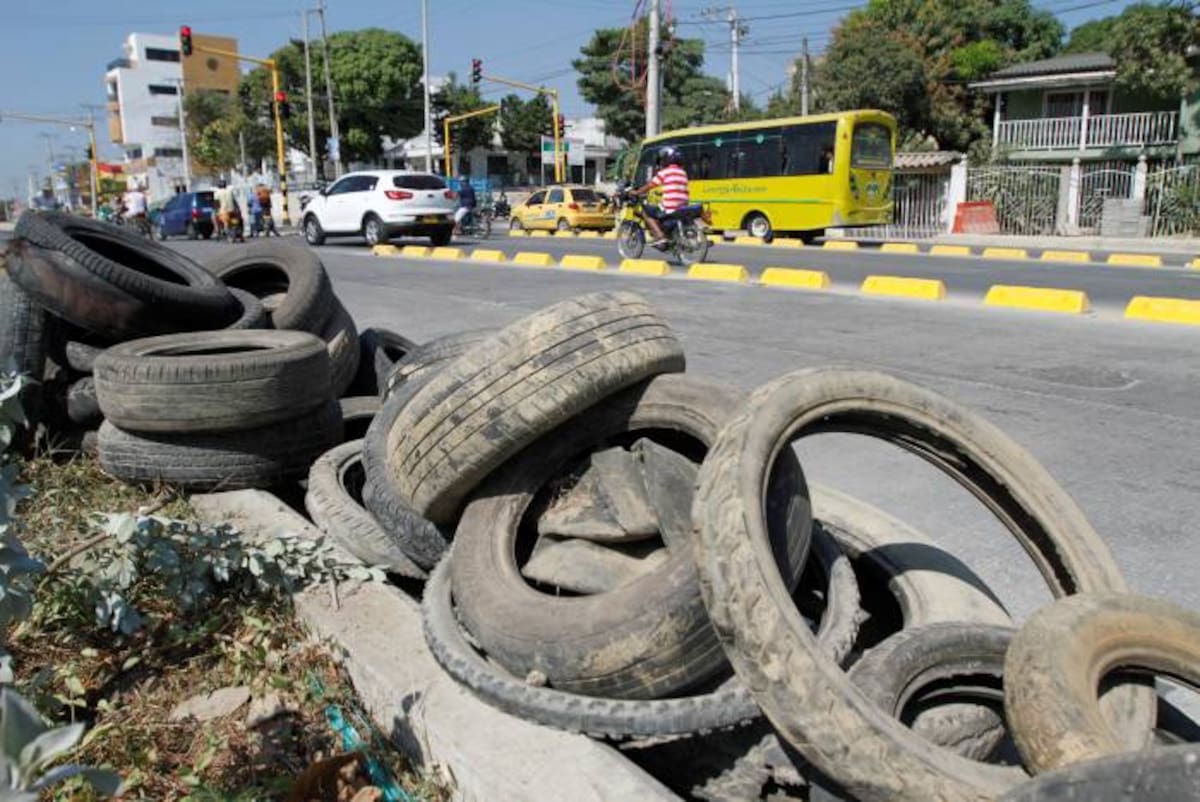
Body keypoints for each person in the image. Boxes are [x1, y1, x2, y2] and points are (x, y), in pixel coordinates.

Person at [632, 145, 688, 247]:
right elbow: (676, 187)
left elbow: (650, 185)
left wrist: (637, 192)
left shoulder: (664, 172)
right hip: (683, 204)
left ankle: (660, 235)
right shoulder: (682, 172)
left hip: (670, 205)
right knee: (658, 209)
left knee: (646, 212)